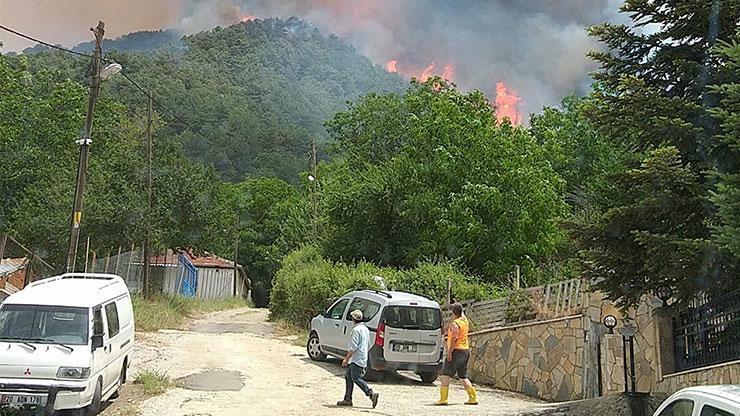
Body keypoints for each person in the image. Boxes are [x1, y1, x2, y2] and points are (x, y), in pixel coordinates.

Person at [436, 302, 478, 406]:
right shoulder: (465, 321)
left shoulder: (455, 324)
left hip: (456, 351)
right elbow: (461, 314)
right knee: (463, 376)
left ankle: (443, 399)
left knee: (445, 375)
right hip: (465, 351)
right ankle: (473, 398)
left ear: (453, 312)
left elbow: (454, 338)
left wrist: (450, 352)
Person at [337, 309, 380, 408]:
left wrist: (346, 359)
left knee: (356, 378)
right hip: (362, 357)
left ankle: (370, 393)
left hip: (356, 359)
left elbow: (353, 347)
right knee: (349, 377)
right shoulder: (365, 329)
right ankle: (347, 399)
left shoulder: (356, 330)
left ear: (353, 319)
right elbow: (368, 344)